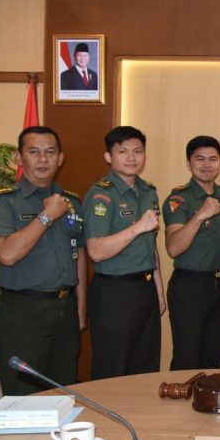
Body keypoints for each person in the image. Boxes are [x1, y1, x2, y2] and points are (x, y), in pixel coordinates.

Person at [0, 126, 86, 394]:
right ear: (19, 157)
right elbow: (7, 254)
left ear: (60, 158)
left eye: (50, 152)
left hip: (65, 311)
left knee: (64, 395)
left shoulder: (72, 202)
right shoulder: (3, 201)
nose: (43, 159)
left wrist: (80, 309)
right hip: (23, 312)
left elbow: (79, 255)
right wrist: (47, 216)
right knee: (24, 399)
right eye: (34, 152)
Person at [82, 126, 165, 379]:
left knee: (146, 366)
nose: (132, 157)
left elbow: (150, 245)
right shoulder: (101, 195)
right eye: (123, 151)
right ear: (109, 156)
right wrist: (138, 227)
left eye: (138, 151)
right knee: (114, 367)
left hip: (145, 289)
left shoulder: (148, 191)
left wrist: (159, 290)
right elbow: (96, 251)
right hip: (114, 292)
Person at [162, 136, 220, 370]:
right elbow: (173, 247)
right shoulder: (178, 199)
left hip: (219, 286)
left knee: (213, 360)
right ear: (189, 163)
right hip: (189, 287)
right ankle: (179, 397)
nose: (207, 164)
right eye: (200, 159)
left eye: (213, 159)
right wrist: (200, 215)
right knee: (186, 359)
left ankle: (207, 396)